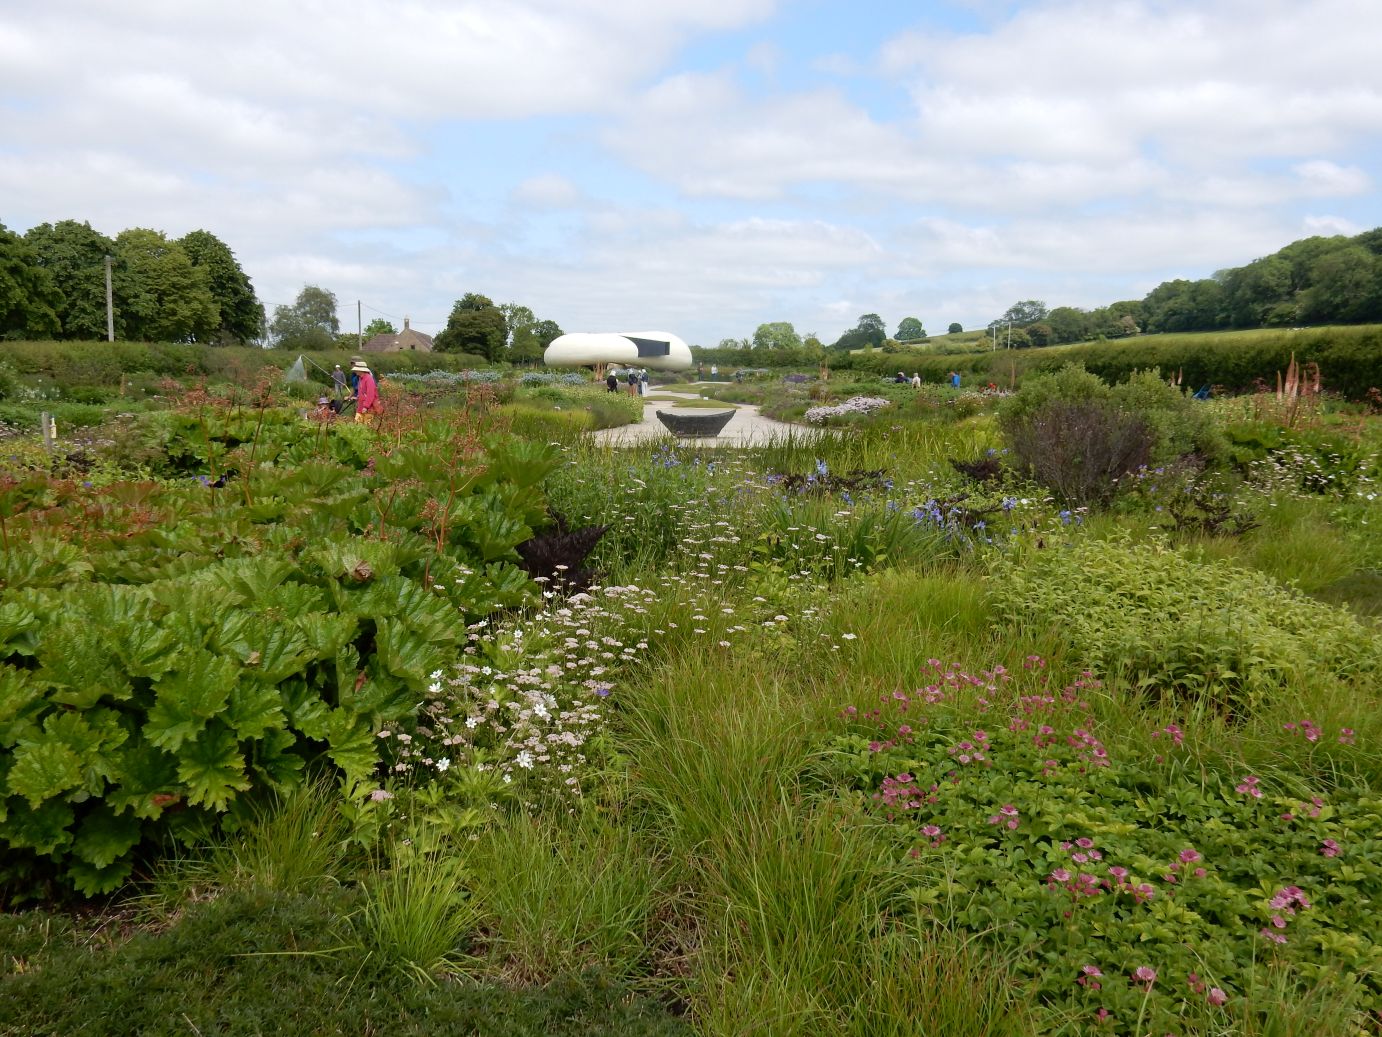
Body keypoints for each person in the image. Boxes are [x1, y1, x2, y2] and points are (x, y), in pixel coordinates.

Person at [351, 359, 379, 424]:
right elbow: (361, 392)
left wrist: (366, 406)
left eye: (357, 369)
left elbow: (370, 394)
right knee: (356, 425)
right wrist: (357, 397)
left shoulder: (369, 378)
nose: (355, 371)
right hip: (361, 406)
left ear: (361, 370)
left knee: (367, 425)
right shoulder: (360, 378)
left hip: (369, 408)